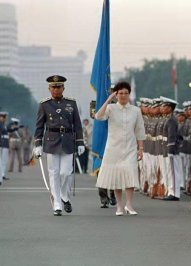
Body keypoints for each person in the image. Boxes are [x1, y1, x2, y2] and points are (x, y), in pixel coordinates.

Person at [33, 75, 85, 216]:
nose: (56, 90)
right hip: (51, 140)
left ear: (63, 88)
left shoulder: (71, 103)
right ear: (49, 89)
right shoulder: (44, 104)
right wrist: (37, 144)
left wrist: (80, 142)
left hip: (68, 140)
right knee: (54, 173)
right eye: (53, 87)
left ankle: (63, 195)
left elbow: (78, 125)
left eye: (59, 87)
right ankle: (57, 203)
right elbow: (39, 126)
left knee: (66, 172)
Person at [95, 81, 145, 216]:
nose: (123, 96)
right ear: (116, 94)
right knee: (116, 177)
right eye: (120, 93)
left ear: (129, 94)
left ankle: (129, 205)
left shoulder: (136, 110)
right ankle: (119, 206)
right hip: (114, 149)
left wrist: (140, 149)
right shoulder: (111, 108)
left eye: (126, 93)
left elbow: (140, 130)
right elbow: (98, 116)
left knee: (130, 175)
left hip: (130, 148)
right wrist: (108, 100)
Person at [0, 111, 10, 184]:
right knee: (2, 161)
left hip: (4, 143)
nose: (5, 118)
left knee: (4, 160)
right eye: (4, 117)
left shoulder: (4, 124)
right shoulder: (1, 124)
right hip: (2, 143)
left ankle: (2, 175)